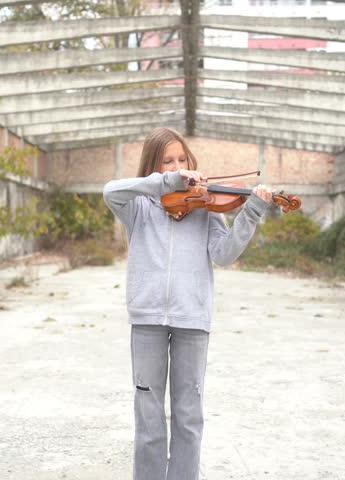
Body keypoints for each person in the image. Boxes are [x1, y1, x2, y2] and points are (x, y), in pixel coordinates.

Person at [102, 127, 273, 480]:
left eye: (183, 159)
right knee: (148, 419)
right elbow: (110, 191)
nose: (178, 166)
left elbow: (224, 255)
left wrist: (252, 212)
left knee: (189, 417)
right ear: (155, 166)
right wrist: (165, 182)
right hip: (147, 319)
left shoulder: (205, 206)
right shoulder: (137, 206)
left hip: (193, 320)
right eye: (168, 161)